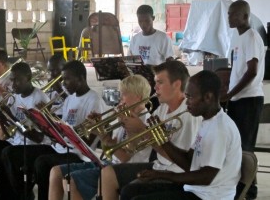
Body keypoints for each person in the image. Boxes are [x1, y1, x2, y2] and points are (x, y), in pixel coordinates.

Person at [120, 70, 242, 200]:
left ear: (208, 97)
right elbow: (189, 163)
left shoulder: (220, 128)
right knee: (129, 191)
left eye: (190, 97)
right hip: (196, 190)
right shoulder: (207, 122)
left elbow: (206, 177)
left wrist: (161, 175)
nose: (187, 102)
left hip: (210, 196)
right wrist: (162, 140)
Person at [100, 60, 202, 200]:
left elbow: (180, 161)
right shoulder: (162, 109)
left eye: (160, 82)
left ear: (176, 84)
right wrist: (128, 125)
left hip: (176, 173)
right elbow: (134, 148)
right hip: (160, 166)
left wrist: (142, 129)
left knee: (130, 192)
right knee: (108, 173)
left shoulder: (188, 114)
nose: (155, 88)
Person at [48, 75, 152, 200]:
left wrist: (102, 134)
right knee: (57, 172)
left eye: (124, 94)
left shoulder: (143, 120)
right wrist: (99, 130)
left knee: (71, 180)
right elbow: (110, 149)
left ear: (138, 97)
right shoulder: (127, 114)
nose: (120, 98)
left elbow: (124, 157)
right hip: (109, 163)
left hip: (123, 168)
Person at [27, 60, 107, 200]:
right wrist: (45, 119)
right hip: (62, 147)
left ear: (81, 78)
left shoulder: (94, 100)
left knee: (42, 163)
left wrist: (68, 132)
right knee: (28, 156)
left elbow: (90, 140)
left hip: (79, 154)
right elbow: (61, 127)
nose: (63, 84)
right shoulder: (70, 98)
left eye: (67, 79)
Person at [0, 62, 50, 199]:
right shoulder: (15, 97)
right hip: (14, 143)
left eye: (17, 80)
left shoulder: (40, 99)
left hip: (32, 147)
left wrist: (11, 117)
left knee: (7, 153)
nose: (13, 85)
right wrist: (1, 117)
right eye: (12, 80)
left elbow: (39, 138)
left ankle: (21, 195)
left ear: (28, 77)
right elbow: (9, 133)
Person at [222, 0, 265, 199]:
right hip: (238, 98)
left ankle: (250, 189)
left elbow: (252, 72)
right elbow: (238, 70)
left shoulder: (252, 37)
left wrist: (230, 94)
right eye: (229, 13)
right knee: (237, 145)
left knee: (246, 147)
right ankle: (240, 184)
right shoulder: (237, 37)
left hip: (249, 99)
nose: (229, 17)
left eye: (233, 14)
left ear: (245, 17)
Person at [128, 5, 175, 112]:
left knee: (152, 109)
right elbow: (129, 60)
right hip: (138, 82)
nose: (143, 24)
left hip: (155, 82)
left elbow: (170, 63)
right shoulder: (135, 39)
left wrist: (154, 68)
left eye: (147, 21)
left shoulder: (162, 38)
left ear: (153, 18)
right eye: (140, 21)